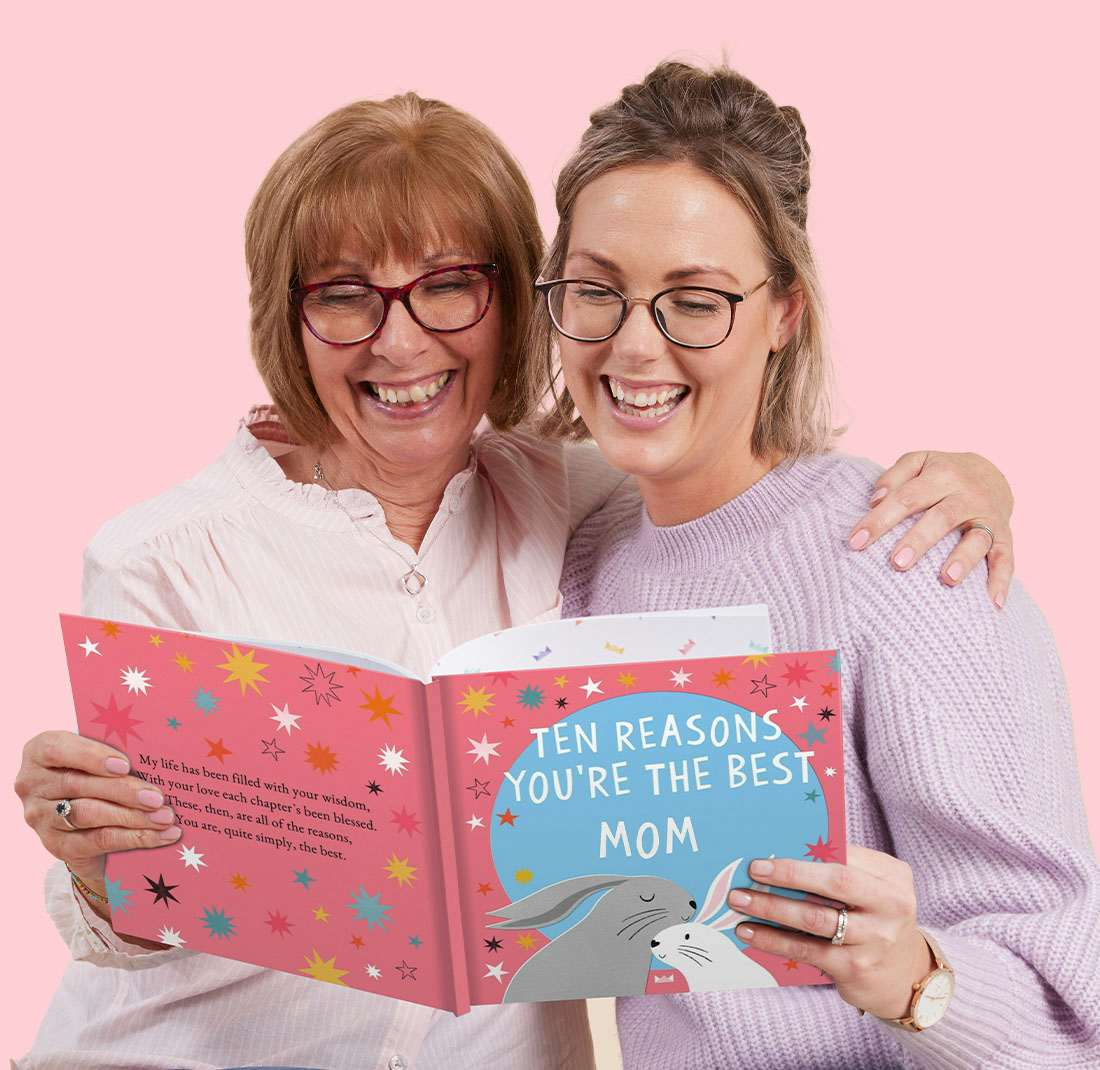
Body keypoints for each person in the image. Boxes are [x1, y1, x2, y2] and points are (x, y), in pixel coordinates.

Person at [15, 92, 1014, 1070]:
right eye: (342, 293)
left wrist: (971, 482)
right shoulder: (163, 555)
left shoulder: (578, 495)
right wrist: (102, 874)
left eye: (448, 284)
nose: (398, 342)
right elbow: (128, 919)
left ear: (515, 303)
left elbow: (732, 486)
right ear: (290, 317)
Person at [548, 62, 1100, 1068]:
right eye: (597, 290)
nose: (634, 345)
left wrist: (915, 975)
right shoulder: (576, 552)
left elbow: (1072, 1017)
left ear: (783, 313)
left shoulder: (902, 556)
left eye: (695, 299)